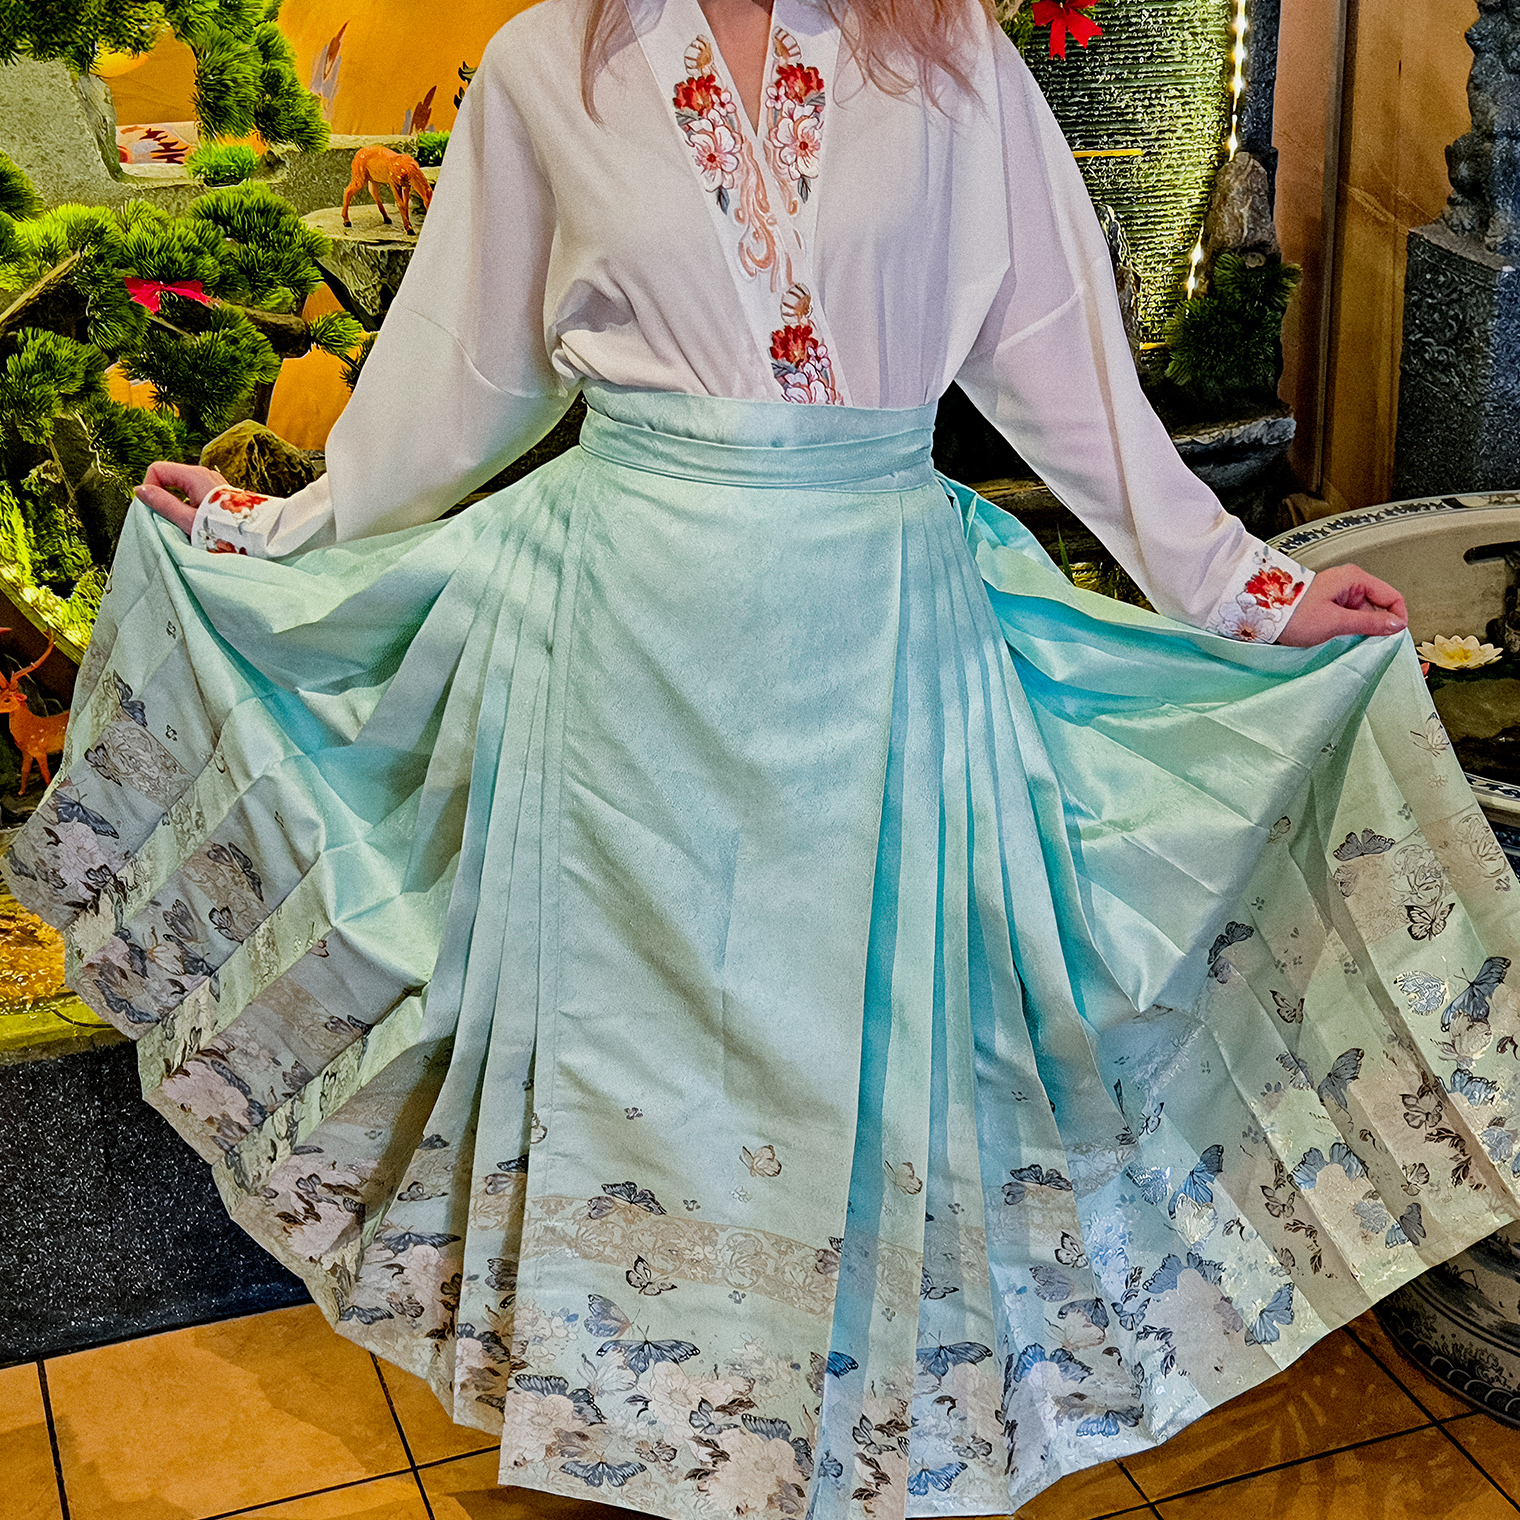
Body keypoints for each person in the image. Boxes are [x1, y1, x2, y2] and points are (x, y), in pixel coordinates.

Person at [9, 0, 1517, 1516]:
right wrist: (289, 529)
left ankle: (845, 1455)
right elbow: (457, 372)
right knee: (633, 1081)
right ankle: (646, 1442)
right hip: (619, 667)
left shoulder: (951, 58)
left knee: (880, 1082)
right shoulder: (551, 61)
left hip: (884, 656)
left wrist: (1245, 589)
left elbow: (1061, 362)